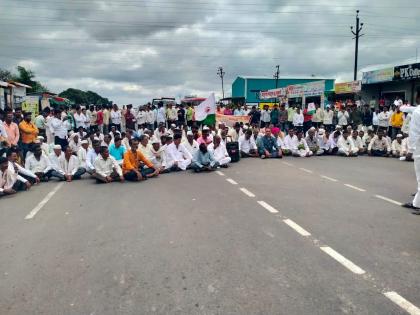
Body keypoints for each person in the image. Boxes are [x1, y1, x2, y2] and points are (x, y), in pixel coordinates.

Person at [403, 105, 420, 213]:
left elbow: (414, 132)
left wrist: (411, 150)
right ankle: (416, 203)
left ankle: (417, 204)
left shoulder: (417, 112)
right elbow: (408, 108)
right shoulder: (416, 110)